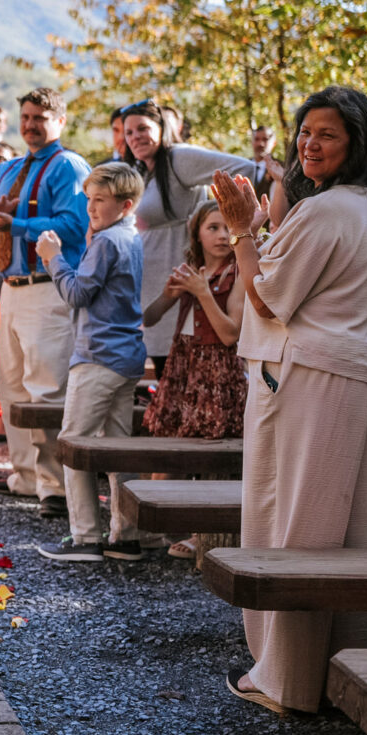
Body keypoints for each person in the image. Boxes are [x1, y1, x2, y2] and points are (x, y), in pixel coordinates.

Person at [213, 85, 367, 714]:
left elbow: (266, 296)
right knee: (340, 525)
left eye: (327, 135)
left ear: (355, 144)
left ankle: (284, 678)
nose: (309, 145)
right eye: (305, 132)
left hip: (310, 375)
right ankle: (333, 663)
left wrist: (239, 230)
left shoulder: (325, 211)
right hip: (351, 370)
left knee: (294, 520)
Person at [0, 87, 90, 518]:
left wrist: (16, 221)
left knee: (45, 387)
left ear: (60, 121)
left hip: (47, 285)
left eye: (40, 117)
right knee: (13, 384)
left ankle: (55, 487)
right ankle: (23, 477)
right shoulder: (12, 167)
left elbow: (75, 225)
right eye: (25, 117)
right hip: (12, 286)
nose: (30, 125)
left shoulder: (69, 167)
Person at [34, 163, 147, 561]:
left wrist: (53, 258)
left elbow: (77, 294)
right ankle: (125, 537)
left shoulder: (106, 241)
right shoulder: (129, 235)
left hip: (99, 354)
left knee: (73, 445)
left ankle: (84, 538)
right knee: (118, 449)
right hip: (127, 354)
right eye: (89, 199)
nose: (91, 207)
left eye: (100, 200)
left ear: (125, 204)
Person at [140, 199, 248, 558]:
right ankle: (157, 524)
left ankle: (205, 534)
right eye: (212, 228)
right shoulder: (191, 269)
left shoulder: (238, 272)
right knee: (170, 450)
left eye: (227, 228)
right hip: (184, 365)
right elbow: (151, 317)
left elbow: (230, 334)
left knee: (210, 454)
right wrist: (170, 294)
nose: (221, 236)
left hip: (217, 370)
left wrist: (203, 293)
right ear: (197, 234)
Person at [120, 99, 256, 377]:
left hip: (181, 273)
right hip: (150, 283)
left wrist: (220, 218)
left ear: (162, 127)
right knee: (163, 376)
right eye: (129, 132)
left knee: (185, 372)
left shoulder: (177, 158)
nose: (135, 137)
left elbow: (244, 168)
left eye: (143, 128)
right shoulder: (141, 171)